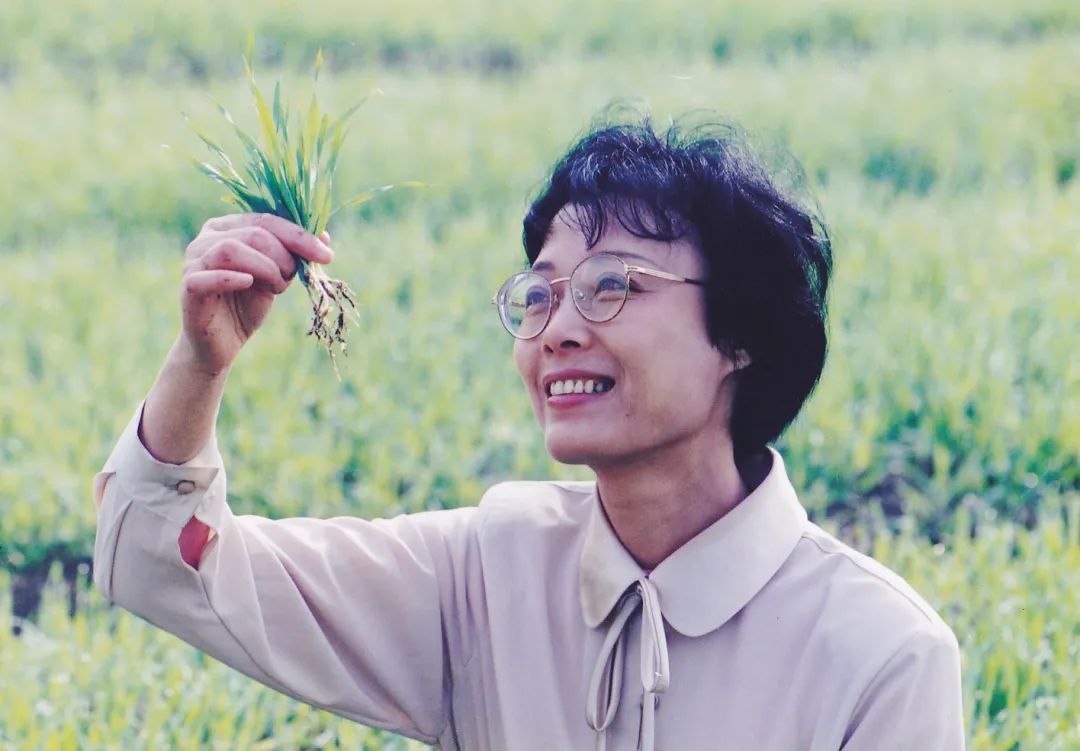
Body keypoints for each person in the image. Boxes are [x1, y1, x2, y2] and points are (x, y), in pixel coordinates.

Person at [93, 115, 965, 750]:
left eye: (613, 286)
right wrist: (200, 362)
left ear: (741, 335)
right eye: (540, 294)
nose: (558, 328)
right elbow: (165, 563)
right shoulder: (486, 572)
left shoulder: (880, 654)